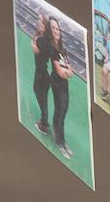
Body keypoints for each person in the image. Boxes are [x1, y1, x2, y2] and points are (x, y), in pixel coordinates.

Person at [32, 15, 76, 159]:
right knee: (59, 113)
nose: (57, 31)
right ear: (51, 31)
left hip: (64, 85)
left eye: (58, 28)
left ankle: (62, 140)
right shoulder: (52, 48)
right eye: (54, 28)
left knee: (64, 112)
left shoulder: (62, 49)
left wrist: (68, 72)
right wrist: (67, 72)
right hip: (57, 84)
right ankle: (60, 141)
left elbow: (70, 69)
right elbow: (60, 71)